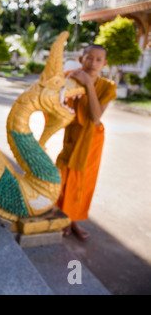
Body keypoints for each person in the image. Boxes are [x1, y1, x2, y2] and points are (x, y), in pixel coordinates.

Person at [56, 44, 117, 240]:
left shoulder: (107, 87)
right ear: (81, 59)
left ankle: (71, 220)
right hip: (72, 136)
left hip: (92, 139)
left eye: (99, 60)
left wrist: (89, 85)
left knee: (81, 181)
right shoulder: (70, 78)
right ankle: (61, 217)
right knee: (62, 178)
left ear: (104, 64)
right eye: (89, 58)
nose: (93, 63)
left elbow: (96, 117)